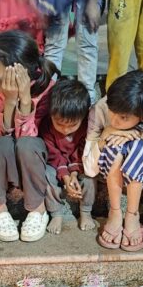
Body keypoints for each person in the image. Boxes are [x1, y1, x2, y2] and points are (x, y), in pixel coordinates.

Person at [0, 30, 62, 242]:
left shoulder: (47, 89)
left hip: (34, 155)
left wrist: (25, 99)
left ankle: (37, 209)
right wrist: (10, 100)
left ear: (16, 70)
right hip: (7, 152)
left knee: (27, 144)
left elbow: (31, 138)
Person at [84, 70, 143, 251]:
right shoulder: (101, 107)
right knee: (114, 147)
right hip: (107, 168)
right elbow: (89, 169)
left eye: (123, 117)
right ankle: (115, 213)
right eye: (113, 112)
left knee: (138, 145)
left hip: (141, 171)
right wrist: (105, 136)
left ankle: (132, 214)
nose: (114, 119)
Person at [40, 78, 96, 234]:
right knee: (46, 174)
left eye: (72, 125)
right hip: (55, 164)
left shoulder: (87, 125)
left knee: (89, 177)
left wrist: (74, 173)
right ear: (51, 114)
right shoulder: (46, 125)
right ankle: (56, 212)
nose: (65, 130)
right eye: (60, 124)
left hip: (78, 163)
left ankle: (85, 211)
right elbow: (52, 153)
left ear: (83, 117)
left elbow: (82, 150)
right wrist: (65, 177)